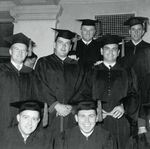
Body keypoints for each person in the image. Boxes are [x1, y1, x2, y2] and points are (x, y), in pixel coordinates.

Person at [82, 34, 139, 149]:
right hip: (97, 120)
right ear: (101, 51)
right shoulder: (92, 71)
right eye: (107, 49)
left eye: (114, 49)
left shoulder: (127, 71)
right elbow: (85, 93)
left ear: (118, 52)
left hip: (120, 120)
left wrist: (124, 107)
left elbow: (134, 94)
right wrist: (94, 110)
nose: (111, 52)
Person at [35, 28, 87, 137]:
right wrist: (56, 105)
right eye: (60, 42)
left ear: (71, 47)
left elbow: (82, 88)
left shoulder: (77, 66)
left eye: (67, 43)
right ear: (55, 44)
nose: (63, 46)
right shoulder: (44, 62)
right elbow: (39, 85)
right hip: (49, 113)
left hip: (70, 114)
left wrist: (71, 107)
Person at [0, 33, 36, 134]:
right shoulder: (1, 69)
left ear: (27, 53)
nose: (20, 53)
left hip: (24, 121)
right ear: (10, 51)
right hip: (3, 117)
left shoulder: (31, 73)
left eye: (23, 50)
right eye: (16, 49)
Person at [121, 16, 150, 135]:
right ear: (129, 31)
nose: (136, 32)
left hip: (145, 92)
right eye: (133, 29)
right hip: (126, 92)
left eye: (139, 29)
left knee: (142, 129)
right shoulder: (122, 48)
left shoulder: (149, 48)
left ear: (143, 32)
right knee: (127, 128)